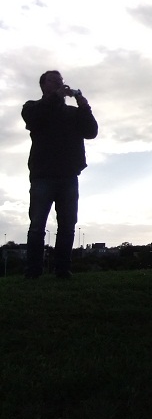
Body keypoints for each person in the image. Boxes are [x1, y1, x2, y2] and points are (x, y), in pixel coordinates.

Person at [22, 70, 98, 278]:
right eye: (53, 81)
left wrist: (84, 106)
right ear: (43, 85)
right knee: (37, 225)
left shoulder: (73, 113)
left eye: (60, 81)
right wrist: (55, 98)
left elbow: (91, 132)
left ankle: (63, 269)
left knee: (67, 226)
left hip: (68, 175)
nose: (59, 84)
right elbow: (33, 118)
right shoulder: (32, 107)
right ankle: (33, 271)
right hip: (43, 175)